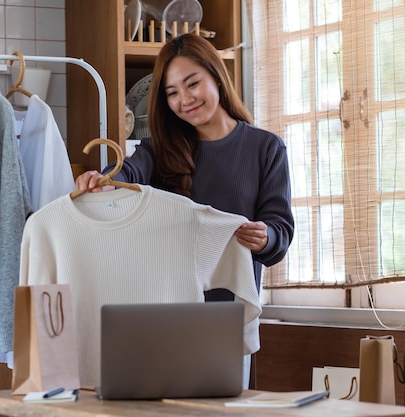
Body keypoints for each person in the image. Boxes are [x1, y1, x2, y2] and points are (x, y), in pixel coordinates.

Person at [75, 33, 294, 387]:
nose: (184, 99)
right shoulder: (157, 149)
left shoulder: (265, 148)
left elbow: (280, 229)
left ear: (217, 77)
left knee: (219, 411)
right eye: (172, 93)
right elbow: (125, 176)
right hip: (162, 309)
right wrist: (100, 180)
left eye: (192, 84)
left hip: (228, 313)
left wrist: (265, 235)